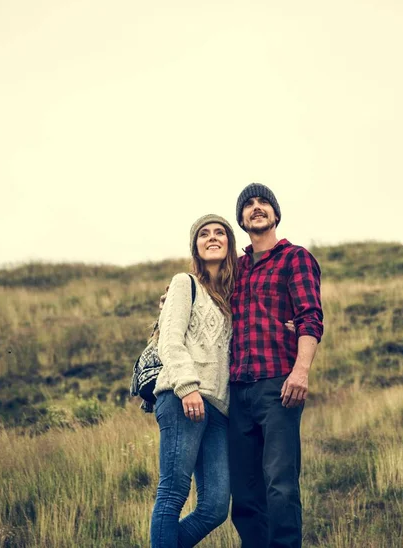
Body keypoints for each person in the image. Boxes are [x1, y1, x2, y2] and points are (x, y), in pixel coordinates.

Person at [229, 183, 324, 548]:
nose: (256, 207)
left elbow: (310, 317)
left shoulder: (294, 258)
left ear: (275, 214)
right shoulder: (234, 270)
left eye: (263, 202)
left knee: (280, 485)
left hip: (277, 386)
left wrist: (300, 371)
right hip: (237, 389)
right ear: (240, 218)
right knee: (245, 495)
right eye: (248, 204)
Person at [150, 214, 236, 548]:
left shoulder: (232, 297)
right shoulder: (184, 283)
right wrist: (187, 387)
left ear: (229, 243)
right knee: (172, 493)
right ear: (196, 246)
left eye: (219, 232)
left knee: (215, 507)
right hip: (182, 398)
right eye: (204, 233)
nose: (212, 237)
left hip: (218, 411)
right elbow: (169, 341)